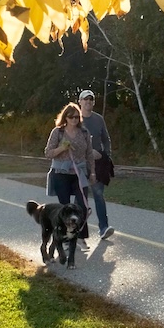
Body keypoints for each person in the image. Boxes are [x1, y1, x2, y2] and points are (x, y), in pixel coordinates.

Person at [44, 102, 96, 251]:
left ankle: (81, 237)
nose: (74, 120)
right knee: (65, 208)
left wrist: (92, 172)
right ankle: (65, 237)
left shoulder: (84, 133)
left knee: (82, 206)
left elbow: (89, 154)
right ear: (65, 117)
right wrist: (62, 148)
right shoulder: (58, 132)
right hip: (61, 174)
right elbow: (48, 153)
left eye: (77, 117)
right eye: (71, 117)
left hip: (79, 174)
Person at [78, 89, 115, 239]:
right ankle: (78, 232)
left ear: (93, 102)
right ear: (80, 102)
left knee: (99, 194)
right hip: (80, 165)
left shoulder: (99, 119)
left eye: (91, 99)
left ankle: (104, 228)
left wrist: (105, 154)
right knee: (81, 199)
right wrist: (88, 152)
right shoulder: (75, 119)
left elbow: (106, 138)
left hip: (97, 164)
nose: (88, 102)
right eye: (85, 99)